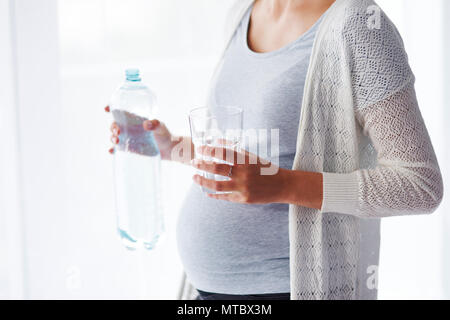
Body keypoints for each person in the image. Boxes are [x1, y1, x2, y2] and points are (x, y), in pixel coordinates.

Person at [105, 0, 444, 300]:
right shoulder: (242, 13)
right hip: (206, 290)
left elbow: (420, 185)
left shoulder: (360, 25)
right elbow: (251, 157)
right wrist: (173, 147)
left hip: (286, 289)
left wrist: (283, 185)